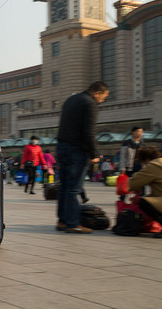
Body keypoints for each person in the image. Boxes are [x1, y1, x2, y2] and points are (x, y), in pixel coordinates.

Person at [55, 81, 109, 233]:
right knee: (74, 188)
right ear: (97, 93)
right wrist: (94, 154)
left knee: (64, 187)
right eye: (103, 97)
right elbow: (89, 131)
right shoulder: (90, 103)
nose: (102, 100)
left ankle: (62, 221)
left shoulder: (72, 99)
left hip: (62, 147)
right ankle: (72, 223)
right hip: (76, 150)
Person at [128, 147, 162, 238]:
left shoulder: (153, 166)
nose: (144, 164)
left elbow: (134, 182)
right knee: (150, 199)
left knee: (144, 202)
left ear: (146, 158)